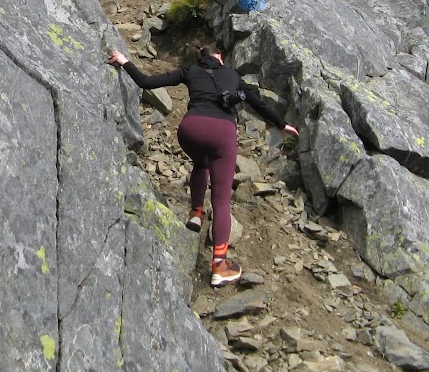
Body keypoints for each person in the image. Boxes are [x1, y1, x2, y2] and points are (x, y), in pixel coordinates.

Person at [108, 43, 299, 286]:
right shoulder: (232, 75)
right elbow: (257, 103)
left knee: (201, 161)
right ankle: (220, 265)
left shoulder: (189, 70)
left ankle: (196, 213)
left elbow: (146, 82)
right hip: (222, 133)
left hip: (191, 129)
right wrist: (282, 125)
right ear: (220, 56)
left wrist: (124, 61)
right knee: (221, 201)